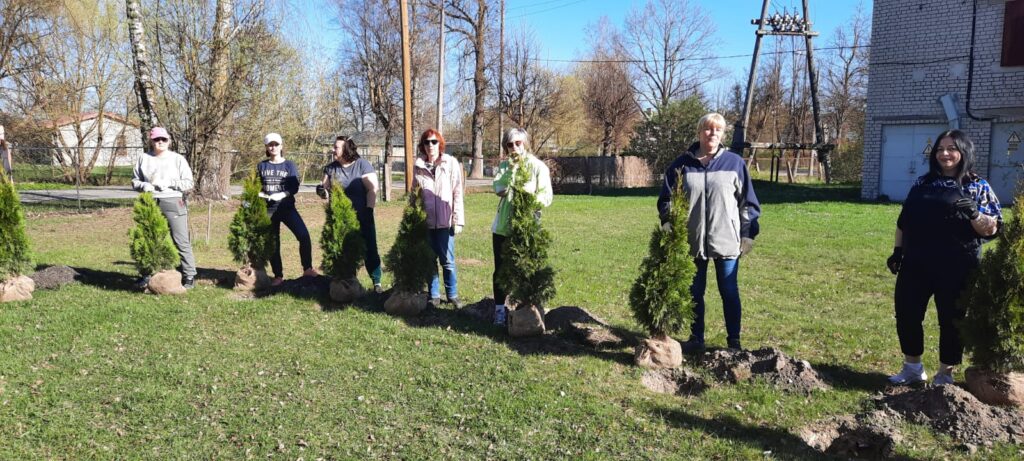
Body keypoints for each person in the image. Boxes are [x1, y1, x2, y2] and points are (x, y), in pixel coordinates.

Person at [886, 129, 1001, 386]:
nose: (945, 154)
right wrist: (897, 251)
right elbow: (904, 221)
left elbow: (992, 228)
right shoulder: (922, 183)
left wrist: (975, 214)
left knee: (951, 319)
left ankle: (945, 374)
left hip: (957, 264)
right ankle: (912, 368)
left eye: (951, 148)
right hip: (917, 262)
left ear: (963, 152)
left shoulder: (976, 185)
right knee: (907, 312)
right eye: (940, 149)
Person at [658, 112, 760, 353]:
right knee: (695, 292)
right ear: (699, 132)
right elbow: (667, 199)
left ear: (722, 134)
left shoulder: (734, 163)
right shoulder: (681, 165)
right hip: (692, 241)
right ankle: (696, 338)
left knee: (729, 291)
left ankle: (734, 340)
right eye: (707, 129)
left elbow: (748, 202)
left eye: (718, 130)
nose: (712, 133)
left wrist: (748, 234)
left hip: (726, 240)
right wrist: (668, 221)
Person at [491, 128, 553, 326]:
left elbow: (546, 197)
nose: (514, 147)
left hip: (526, 228)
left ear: (525, 143)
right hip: (502, 228)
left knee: (526, 271)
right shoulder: (505, 166)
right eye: (510, 144)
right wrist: (510, 175)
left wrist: (527, 200)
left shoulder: (538, 167)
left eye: (518, 143)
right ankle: (500, 310)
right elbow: (498, 188)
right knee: (500, 271)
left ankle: (527, 311)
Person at [131, 127, 197, 289]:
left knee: (180, 239)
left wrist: (170, 183)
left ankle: (189, 275)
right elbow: (134, 181)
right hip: (150, 202)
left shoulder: (177, 159)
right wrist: (143, 185)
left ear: (169, 140)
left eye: (163, 139)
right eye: (156, 139)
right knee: (149, 239)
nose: (160, 142)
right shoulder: (143, 158)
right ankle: (147, 274)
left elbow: (189, 182)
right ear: (151, 141)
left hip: (173, 201)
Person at [320, 136, 382, 292]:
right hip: (340, 218)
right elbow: (325, 190)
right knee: (344, 252)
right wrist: (322, 192)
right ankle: (349, 282)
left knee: (370, 249)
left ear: (346, 149)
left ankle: (377, 283)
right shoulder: (331, 168)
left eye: (336, 147)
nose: (333, 150)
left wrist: (369, 210)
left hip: (362, 215)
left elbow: (372, 189)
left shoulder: (362, 165)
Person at [413, 128, 465, 309]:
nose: (430, 146)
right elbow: (415, 194)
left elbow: (457, 192)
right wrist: (414, 219)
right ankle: (434, 295)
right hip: (426, 223)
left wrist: (457, 220)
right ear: (423, 146)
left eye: (434, 142)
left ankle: (452, 294)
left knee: (448, 261)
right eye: (427, 142)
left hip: (445, 222)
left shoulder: (450, 163)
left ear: (440, 144)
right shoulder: (418, 166)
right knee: (429, 260)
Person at [258, 132, 317, 286]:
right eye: (270, 144)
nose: (273, 147)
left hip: (287, 208)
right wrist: (260, 194)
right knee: (273, 243)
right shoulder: (262, 166)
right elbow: (256, 186)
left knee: (304, 236)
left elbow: (294, 186)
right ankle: (278, 276)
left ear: (281, 146)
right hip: (269, 210)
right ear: (266, 147)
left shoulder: (289, 165)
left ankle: (308, 269)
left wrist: (282, 194)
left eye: (276, 144)